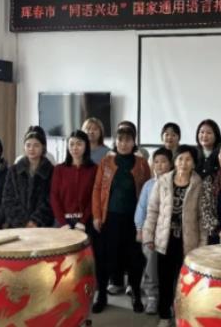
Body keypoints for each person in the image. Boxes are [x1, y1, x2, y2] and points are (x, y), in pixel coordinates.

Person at [142, 145, 207, 327]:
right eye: (180, 159)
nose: (183, 163)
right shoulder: (163, 181)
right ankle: (164, 315)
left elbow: (202, 217)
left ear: (193, 163)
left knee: (184, 281)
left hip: (188, 240)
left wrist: (202, 244)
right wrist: (148, 235)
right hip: (165, 239)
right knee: (164, 279)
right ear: (174, 161)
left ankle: (182, 317)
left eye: (188, 159)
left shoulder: (199, 184)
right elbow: (153, 210)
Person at [92, 126, 151, 314]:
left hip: (134, 220)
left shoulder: (142, 164)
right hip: (110, 218)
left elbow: (148, 192)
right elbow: (97, 189)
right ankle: (102, 295)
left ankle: (135, 293)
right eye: (120, 140)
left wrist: (145, 221)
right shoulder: (106, 162)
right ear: (115, 142)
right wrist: (97, 215)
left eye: (128, 140)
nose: (123, 144)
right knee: (106, 258)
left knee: (134, 258)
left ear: (134, 142)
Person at [135, 147, 173, 315]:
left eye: (163, 161)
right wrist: (140, 229)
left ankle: (169, 298)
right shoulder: (149, 185)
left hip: (170, 233)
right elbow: (141, 208)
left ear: (171, 164)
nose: (159, 165)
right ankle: (152, 296)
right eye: (156, 162)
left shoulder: (176, 183)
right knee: (150, 260)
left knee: (170, 266)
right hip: (150, 231)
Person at [2, 126, 54, 228]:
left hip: (42, 226)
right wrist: (24, 222)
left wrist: (36, 221)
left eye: (36, 145)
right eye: (28, 145)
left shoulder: (51, 171)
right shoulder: (14, 170)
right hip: (17, 226)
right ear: (24, 147)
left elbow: (51, 200)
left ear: (43, 147)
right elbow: (8, 199)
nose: (31, 149)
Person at [50, 130, 97, 231]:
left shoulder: (94, 169)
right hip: (62, 222)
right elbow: (54, 196)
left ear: (86, 146)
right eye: (71, 144)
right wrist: (63, 223)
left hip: (85, 222)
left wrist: (83, 222)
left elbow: (94, 198)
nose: (75, 147)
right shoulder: (59, 169)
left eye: (79, 144)